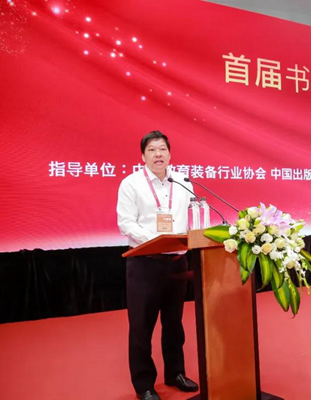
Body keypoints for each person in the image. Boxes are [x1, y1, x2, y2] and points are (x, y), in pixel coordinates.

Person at [117, 131, 198, 400]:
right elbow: (126, 223)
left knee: (174, 324)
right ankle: (144, 385)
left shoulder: (183, 181)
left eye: (162, 149)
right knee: (141, 327)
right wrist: (156, 240)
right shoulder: (131, 184)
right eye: (152, 150)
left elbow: (192, 215)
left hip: (177, 262)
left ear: (170, 154)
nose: (158, 154)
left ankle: (175, 373)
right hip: (145, 263)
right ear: (143, 156)